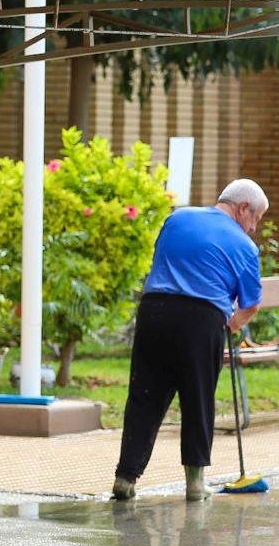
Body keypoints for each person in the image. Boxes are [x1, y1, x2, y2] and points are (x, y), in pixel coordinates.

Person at [112, 179, 267, 503]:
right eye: (256, 218)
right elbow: (250, 305)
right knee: (197, 400)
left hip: (154, 311)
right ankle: (195, 484)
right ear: (242, 209)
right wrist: (230, 324)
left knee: (144, 396)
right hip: (201, 319)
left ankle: (125, 479)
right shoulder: (244, 246)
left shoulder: (177, 218)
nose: (254, 228)